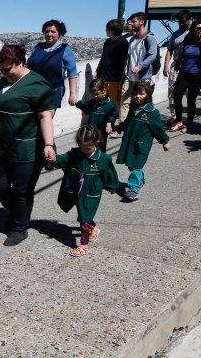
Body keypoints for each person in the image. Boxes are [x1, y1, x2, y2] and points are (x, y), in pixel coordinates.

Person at [0, 45, 56, 245]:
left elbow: (45, 115)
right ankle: (17, 214)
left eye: (7, 69)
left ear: (21, 63)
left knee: (22, 190)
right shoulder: (3, 82)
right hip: (0, 145)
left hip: (27, 148)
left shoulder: (37, 84)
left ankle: (20, 227)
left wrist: (48, 144)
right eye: (1, 70)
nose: (3, 74)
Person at [53, 126, 119, 257]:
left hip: (91, 194)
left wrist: (112, 186)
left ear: (97, 142)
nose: (84, 151)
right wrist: (52, 158)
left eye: (88, 148)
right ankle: (93, 228)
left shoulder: (103, 159)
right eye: (82, 147)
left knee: (84, 219)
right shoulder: (74, 154)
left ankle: (84, 246)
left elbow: (110, 174)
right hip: (76, 191)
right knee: (84, 215)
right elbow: (61, 160)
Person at [26, 19, 78, 170]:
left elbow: (72, 73)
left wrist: (72, 94)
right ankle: (47, 154)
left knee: (44, 121)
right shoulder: (38, 47)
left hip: (52, 92)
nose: (49, 34)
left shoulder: (65, 50)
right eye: (47, 31)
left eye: (53, 31)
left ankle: (49, 158)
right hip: (33, 91)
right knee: (36, 124)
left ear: (60, 33)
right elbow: (28, 67)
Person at [116, 81, 171, 202]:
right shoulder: (133, 107)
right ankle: (139, 178)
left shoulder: (152, 113)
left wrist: (165, 141)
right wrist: (118, 128)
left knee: (136, 166)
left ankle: (133, 190)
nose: (137, 96)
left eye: (141, 94)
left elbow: (158, 129)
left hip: (141, 145)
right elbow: (127, 121)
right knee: (131, 165)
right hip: (130, 142)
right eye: (135, 93)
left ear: (148, 95)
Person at [169, 20, 201, 133]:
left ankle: (189, 123)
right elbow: (179, 59)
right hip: (184, 73)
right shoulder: (186, 42)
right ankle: (179, 121)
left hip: (198, 74)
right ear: (193, 30)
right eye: (198, 28)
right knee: (177, 96)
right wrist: (175, 74)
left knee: (191, 100)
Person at [118, 12, 159, 130]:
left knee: (144, 102)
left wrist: (140, 66)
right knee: (124, 101)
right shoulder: (132, 39)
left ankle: (146, 124)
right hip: (129, 76)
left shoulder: (150, 38)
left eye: (134, 21)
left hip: (143, 77)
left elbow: (152, 55)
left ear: (142, 22)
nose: (131, 24)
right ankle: (123, 126)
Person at [163, 10, 192, 124]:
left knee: (189, 93)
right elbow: (169, 50)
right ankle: (174, 116)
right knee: (172, 92)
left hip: (190, 65)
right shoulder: (175, 34)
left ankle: (189, 117)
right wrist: (166, 66)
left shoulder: (194, 32)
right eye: (179, 22)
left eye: (183, 22)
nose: (181, 24)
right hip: (175, 65)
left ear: (189, 20)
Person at [95, 19, 129, 114]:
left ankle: (111, 122)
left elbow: (124, 61)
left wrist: (122, 77)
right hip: (103, 77)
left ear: (112, 30)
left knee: (114, 102)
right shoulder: (107, 42)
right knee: (102, 100)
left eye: (107, 29)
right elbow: (103, 57)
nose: (105, 31)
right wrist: (98, 69)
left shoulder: (123, 43)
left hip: (115, 79)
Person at [75, 79, 117, 152]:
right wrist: (78, 103)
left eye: (97, 94)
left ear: (104, 91)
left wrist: (109, 124)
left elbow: (112, 115)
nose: (95, 96)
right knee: (88, 149)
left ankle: (100, 162)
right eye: (93, 94)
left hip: (101, 134)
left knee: (100, 150)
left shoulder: (109, 104)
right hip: (90, 132)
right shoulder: (92, 103)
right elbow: (86, 109)